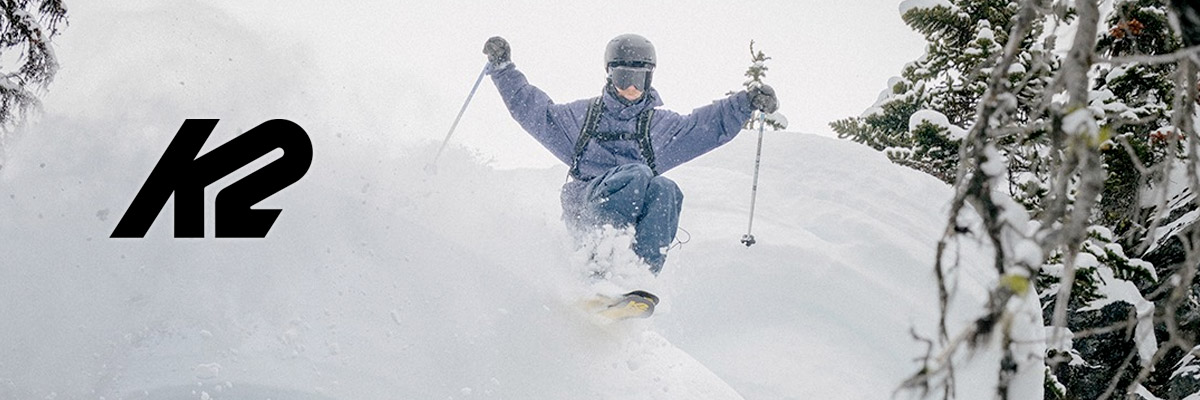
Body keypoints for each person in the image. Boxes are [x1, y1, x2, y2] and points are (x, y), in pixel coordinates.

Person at [483, 34, 778, 276]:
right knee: (636, 174)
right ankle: (600, 264)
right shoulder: (583, 119)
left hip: (631, 215)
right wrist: (503, 68)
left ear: (649, 78)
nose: (631, 88)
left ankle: (637, 276)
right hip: (586, 207)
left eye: (638, 78)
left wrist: (746, 102)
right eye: (624, 78)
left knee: (666, 189)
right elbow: (535, 111)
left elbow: (704, 127)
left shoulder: (657, 127)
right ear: (610, 76)